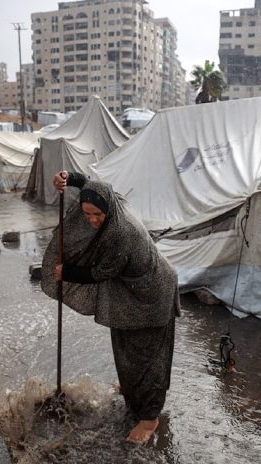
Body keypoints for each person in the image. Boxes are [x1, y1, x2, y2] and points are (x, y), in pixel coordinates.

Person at [41, 170, 180, 444]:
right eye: (87, 213)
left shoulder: (120, 233)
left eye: (97, 215)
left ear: (108, 210)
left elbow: (101, 272)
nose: (92, 220)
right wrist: (69, 178)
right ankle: (130, 386)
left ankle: (149, 418)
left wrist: (66, 272)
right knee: (125, 345)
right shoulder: (112, 200)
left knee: (149, 357)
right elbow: (92, 185)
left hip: (153, 294)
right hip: (129, 291)